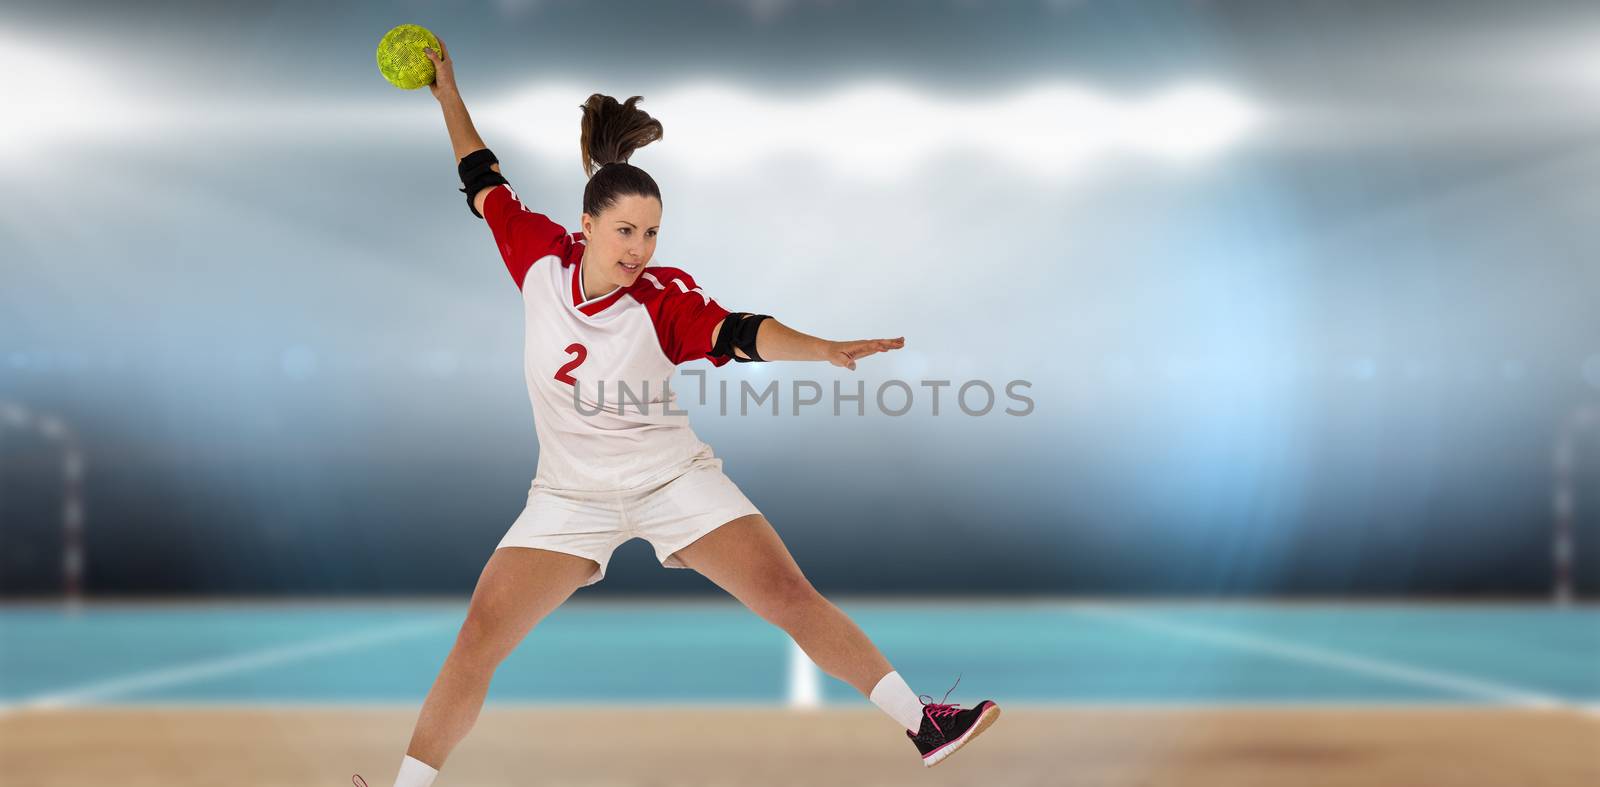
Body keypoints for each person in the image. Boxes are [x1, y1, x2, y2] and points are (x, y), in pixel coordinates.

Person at [369, 38, 1000, 787]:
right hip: (569, 495)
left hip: (671, 480)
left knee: (787, 595)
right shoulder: (538, 255)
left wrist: (819, 347)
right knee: (478, 636)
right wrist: (446, 95)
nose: (639, 246)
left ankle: (924, 720)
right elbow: (482, 176)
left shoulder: (660, 301)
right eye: (626, 230)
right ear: (589, 224)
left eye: (652, 232)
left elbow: (739, 332)